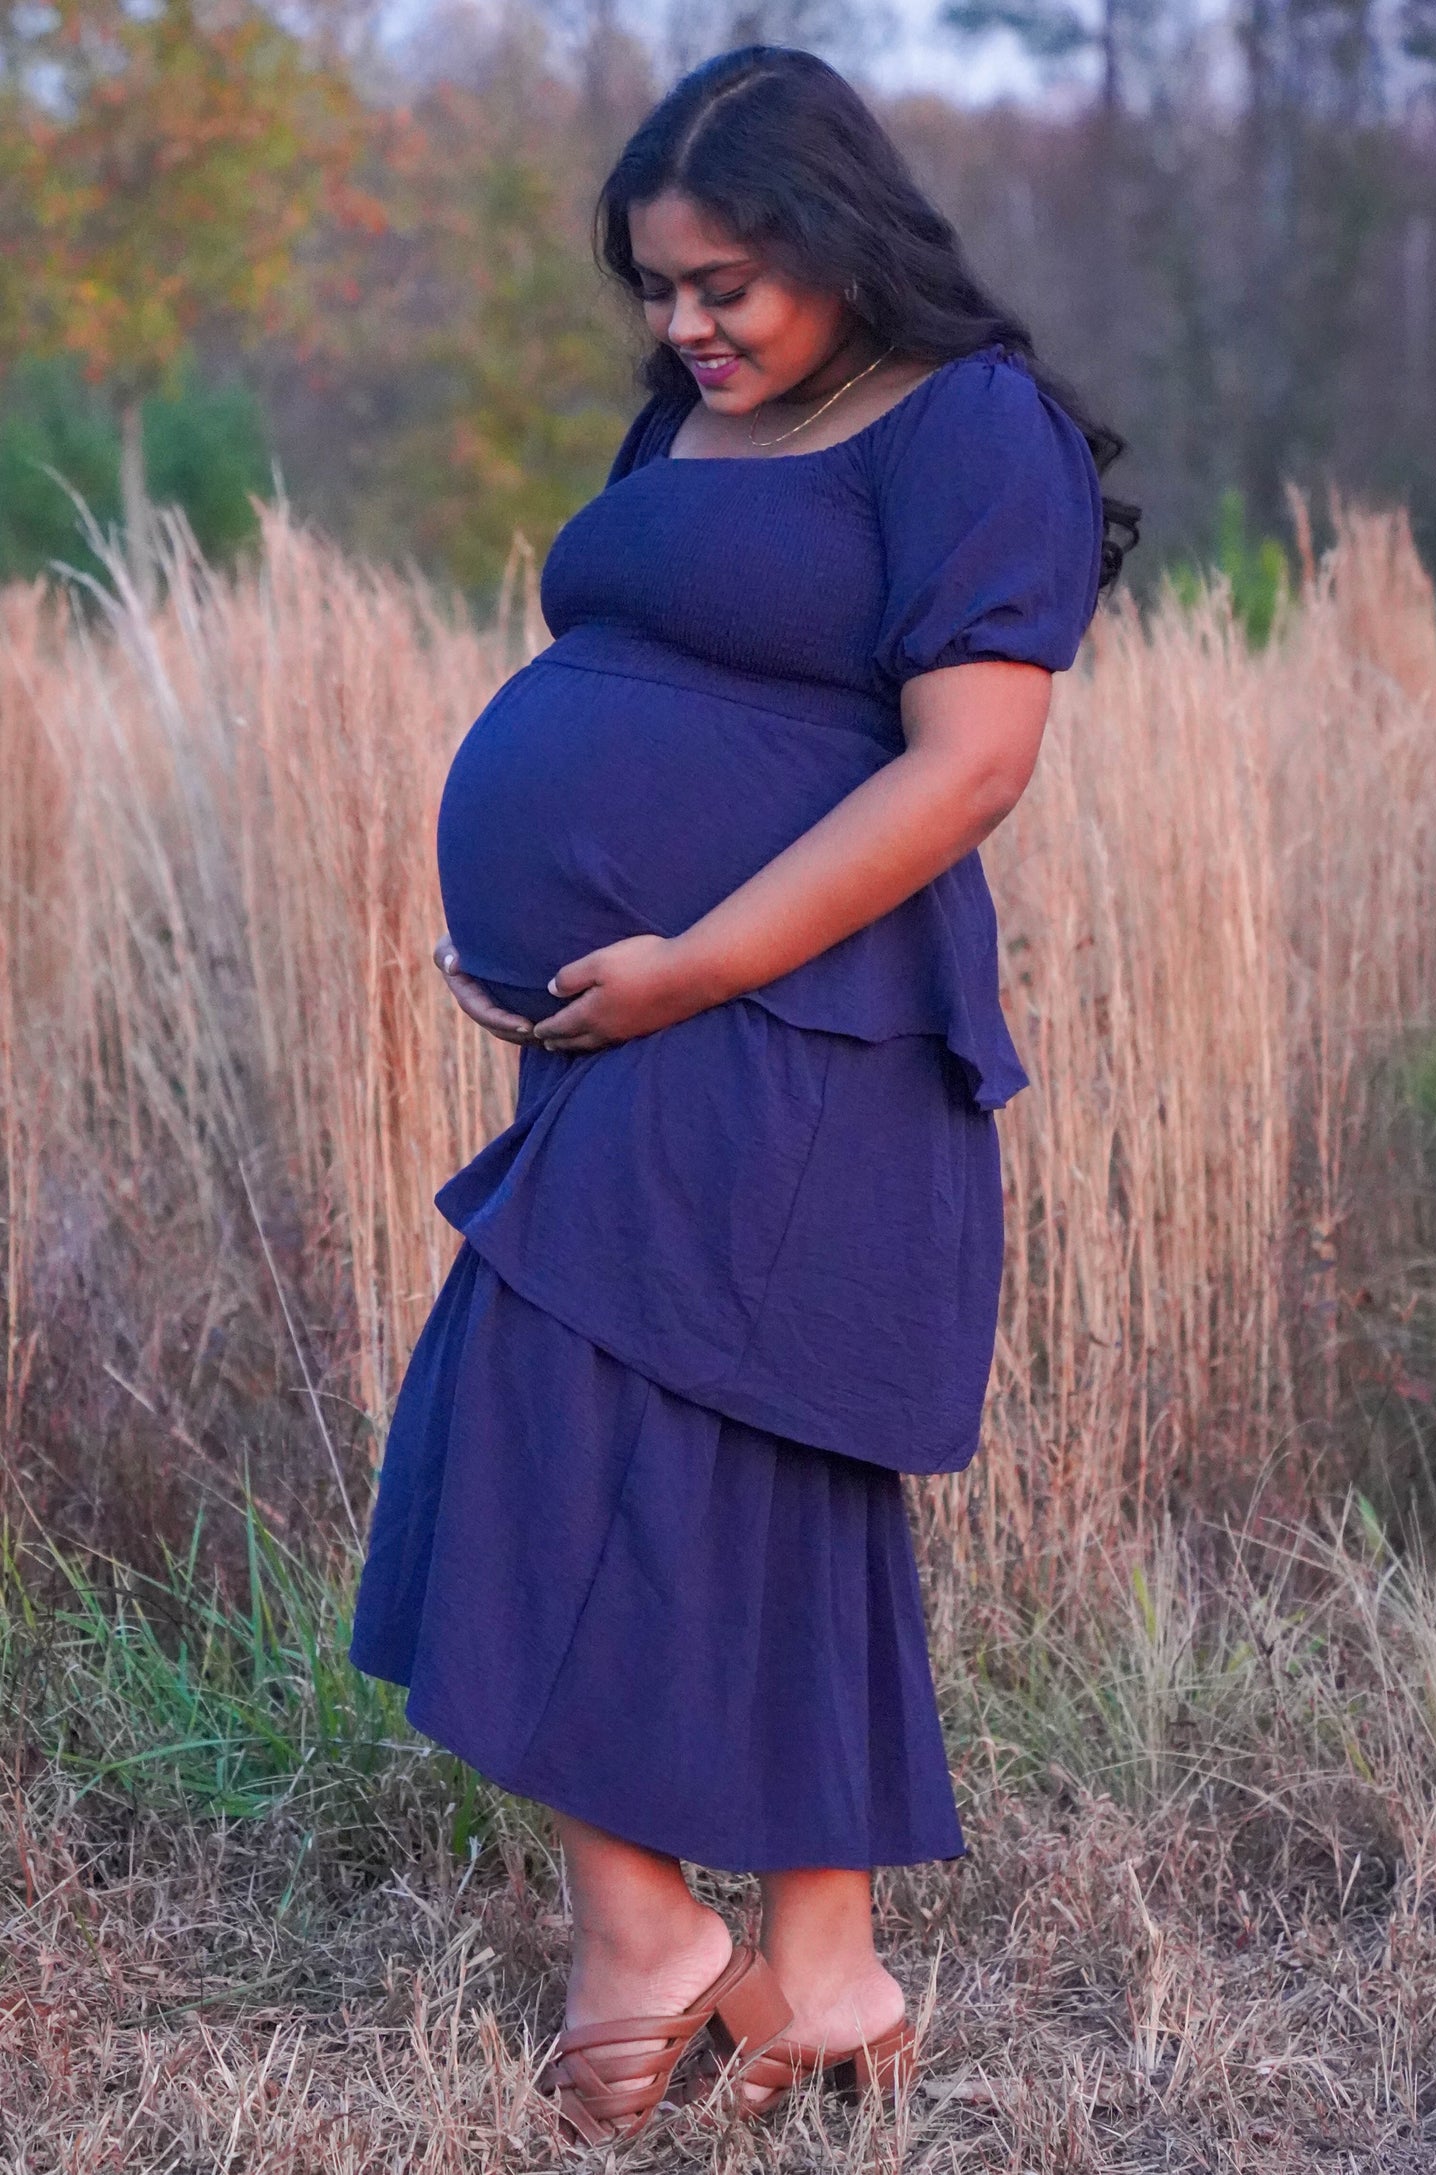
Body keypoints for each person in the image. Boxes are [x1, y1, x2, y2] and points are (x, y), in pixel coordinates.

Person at [349, 42, 1138, 2147]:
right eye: (657, 289)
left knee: (537, 1393)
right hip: (665, 1025)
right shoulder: (693, 426)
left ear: (835, 236)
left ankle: (652, 1931)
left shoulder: (966, 425)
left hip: (802, 1026)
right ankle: (819, 1954)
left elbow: (967, 761)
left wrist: (689, 953)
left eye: (720, 282)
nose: (682, 326)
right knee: (736, 1460)